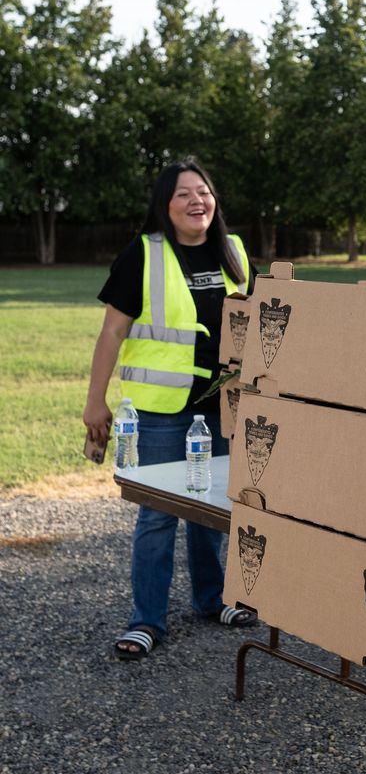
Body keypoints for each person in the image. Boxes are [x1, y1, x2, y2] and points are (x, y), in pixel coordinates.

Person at [84, 158, 258, 660]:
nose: (196, 201)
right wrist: (95, 401)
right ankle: (146, 620)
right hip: (159, 410)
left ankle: (212, 600)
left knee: (210, 509)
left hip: (221, 404)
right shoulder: (144, 254)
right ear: (164, 204)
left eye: (203, 191)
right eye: (183, 193)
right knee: (158, 514)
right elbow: (112, 332)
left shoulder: (236, 253)